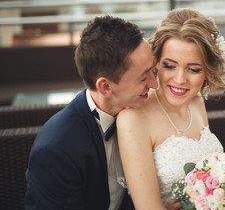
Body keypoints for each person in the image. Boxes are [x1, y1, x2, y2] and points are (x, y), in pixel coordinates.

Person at [24, 15, 158, 210]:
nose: (154, 84)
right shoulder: (55, 151)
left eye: (152, 70)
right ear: (105, 87)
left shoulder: (142, 113)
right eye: (143, 77)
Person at [116, 8, 225, 209]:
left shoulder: (197, 102)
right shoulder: (133, 119)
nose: (180, 80)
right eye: (169, 66)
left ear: (207, 71)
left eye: (194, 69)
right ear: (156, 63)